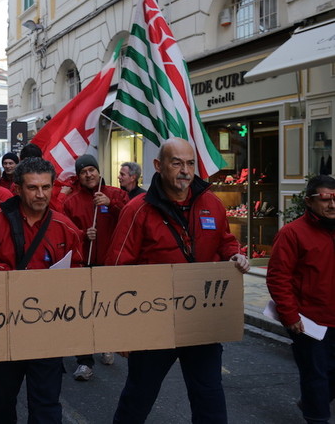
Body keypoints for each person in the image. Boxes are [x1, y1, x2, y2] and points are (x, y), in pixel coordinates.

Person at [105, 137, 250, 424]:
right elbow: (117, 269)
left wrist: (235, 256)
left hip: (200, 319)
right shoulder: (137, 210)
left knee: (209, 397)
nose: (185, 170)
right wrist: (121, 332)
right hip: (153, 321)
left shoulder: (211, 203)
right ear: (159, 166)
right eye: (177, 163)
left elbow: (225, 241)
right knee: (139, 396)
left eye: (190, 163)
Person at [0, 157, 84, 424]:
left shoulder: (66, 229)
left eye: (46, 187)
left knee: (46, 406)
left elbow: (77, 279)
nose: (40, 194)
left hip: (47, 333)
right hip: (4, 330)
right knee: (0, 403)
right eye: (32, 187)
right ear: (17, 188)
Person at [267, 175, 335, 424]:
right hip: (309, 321)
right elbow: (278, 277)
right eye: (326, 199)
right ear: (308, 201)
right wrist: (290, 315)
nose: (332, 205)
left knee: (328, 376)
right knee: (315, 375)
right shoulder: (292, 233)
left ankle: (311, 402)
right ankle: (316, 416)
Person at [63, 154, 128, 380]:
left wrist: (113, 204)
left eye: (92, 169)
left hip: (110, 264)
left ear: (99, 171)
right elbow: (66, 234)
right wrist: (82, 235)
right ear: (78, 176)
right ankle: (84, 361)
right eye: (83, 171)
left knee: (108, 308)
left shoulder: (116, 194)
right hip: (84, 264)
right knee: (83, 313)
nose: (89, 174)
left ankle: (106, 342)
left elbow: (133, 219)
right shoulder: (71, 202)